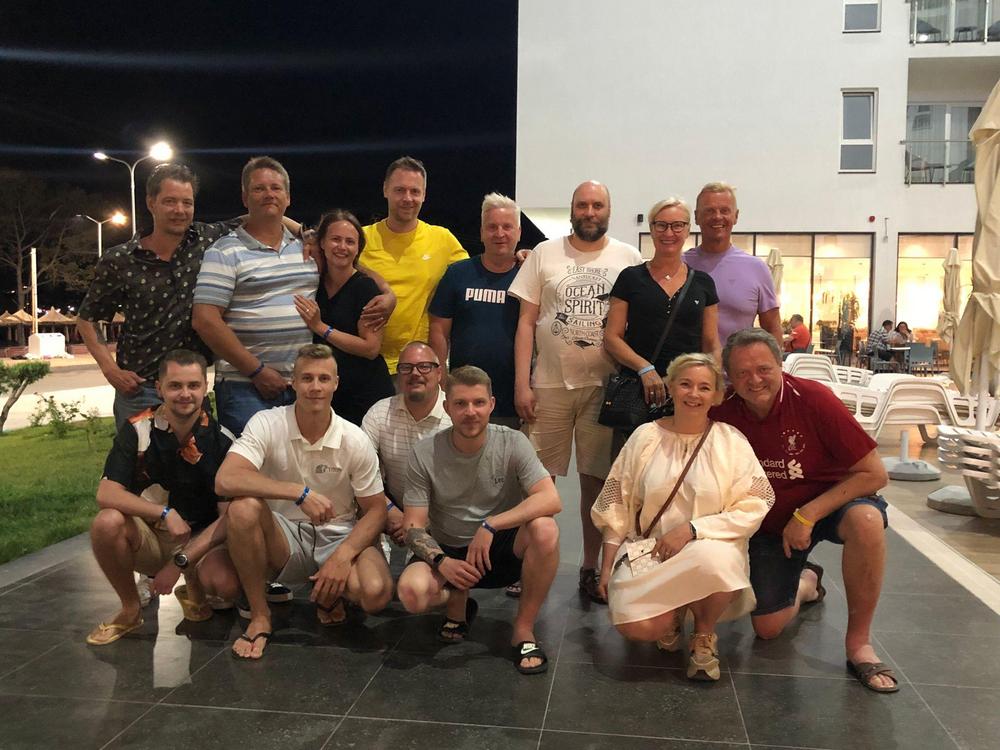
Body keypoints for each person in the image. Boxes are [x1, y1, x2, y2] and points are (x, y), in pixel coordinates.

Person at [711, 328, 897, 693]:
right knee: (767, 628)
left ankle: (859, 644)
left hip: (831, 504)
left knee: (867, 520)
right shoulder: (723, 409)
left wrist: (807, 514)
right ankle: (807, 582)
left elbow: (875, 474)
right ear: (729, 376)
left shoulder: (814, 399)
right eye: (743, 372)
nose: (754, 380)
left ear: (781, 365)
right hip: (769, 524)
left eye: (763, 369)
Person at [592, 353, 772, 681]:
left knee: (717, 560)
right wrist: (605, 567)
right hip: (651, 551)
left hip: (710, 547)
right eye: (686, 384)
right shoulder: (644, 437)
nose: (694, 394)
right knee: (638, 628)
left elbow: (757, 503)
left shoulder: (730, 442)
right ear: (671, 387)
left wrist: (693, 529)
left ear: (716, 396)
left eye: (704, 387)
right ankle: (673, 614)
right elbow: (617, 504)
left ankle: (703, 633)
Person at [509, 180, 642, 604]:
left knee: (597, 483)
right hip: (548, 386)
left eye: (597, 205)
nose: (589, 212)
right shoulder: (544, 253)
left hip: (605, 389)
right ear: (572, 209)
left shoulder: (629, 257)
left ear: (608, 210)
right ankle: (527, 563)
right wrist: (522, 382)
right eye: (582, 205)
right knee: (537, 482)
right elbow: (526, 322)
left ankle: (589, 566)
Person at [215, 344, 393, 660]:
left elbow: (376, 510)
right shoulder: (266, 422)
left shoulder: (354, 438)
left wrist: (343, 557)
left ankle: (330, 594)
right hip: (283, 536)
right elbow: (225, 480)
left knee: (375, 593)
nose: (315, 387)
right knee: (242, 507)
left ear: (336, 383)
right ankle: (260, 614)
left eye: (323, 379)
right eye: (307, 378)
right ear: (293, 382)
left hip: (338, 533)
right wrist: (298, 492)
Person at [397, 366, 561, 674]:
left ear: (492, 405)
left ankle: (523, 630)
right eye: (460, 404)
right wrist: (442, 561)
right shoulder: (424, 452)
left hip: (498, 549)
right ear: (447, 407)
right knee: (411, 594)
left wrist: (491, 524)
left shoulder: (513, 442)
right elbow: (412, 527)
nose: (470, 412)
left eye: (478, 403)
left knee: (546, 528)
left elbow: (551, 499)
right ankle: (456, 597)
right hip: (448, 548)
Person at [86, 349, 240, 645]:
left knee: (226, 587)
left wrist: (179, 562)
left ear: (205, 387)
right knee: (106, 523)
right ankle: (130, 609)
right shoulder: (137, 429)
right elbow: (106, 493)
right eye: (175, 385)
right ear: (159, 388)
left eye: (193, 385)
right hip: (151, 536)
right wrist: (164, 513)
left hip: (198, 541)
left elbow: (227, 518)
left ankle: (193, 585)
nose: (185, 394)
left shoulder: (222, 440)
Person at [77, 164, 240, 429]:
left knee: (198, 455)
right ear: (151, 203)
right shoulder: (119, 260)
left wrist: (305, 233)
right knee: (139, 456)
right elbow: (88, 318)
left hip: (192, 390)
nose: (180, 210)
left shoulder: (206, 239)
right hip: (140, 390)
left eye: (187, 202)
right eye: (170, 201)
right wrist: (110, 370)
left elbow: (260, 218)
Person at [192, 156, 319, 436]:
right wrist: (257, 371)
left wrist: (384, 292)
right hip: (245, 387)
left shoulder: (307, 249)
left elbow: (350, 266)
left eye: (276, 188)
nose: (269, 194)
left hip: (303, 386)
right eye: (259, 188)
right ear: (245, 198)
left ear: (288, 198)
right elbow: (205, 320)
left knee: (302, 461)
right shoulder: (224, 251)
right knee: (251, 464)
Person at [604, 197, 721, 457]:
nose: (669, 233)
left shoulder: (703, 283)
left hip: (687, 395)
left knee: (685, 464)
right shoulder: (630, 278)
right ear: (651, 228)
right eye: (661, 225)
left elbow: (711, 343)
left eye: (677, 225)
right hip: (638, 393)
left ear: (688, 229)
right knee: (634, 465)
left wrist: (711, 384)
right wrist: (644, 368)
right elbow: (612, 337)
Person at [361, 156, 468, 374]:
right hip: (366, 362)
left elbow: (478, 272)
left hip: (418, 367)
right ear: (385, 189)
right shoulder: (360, 238)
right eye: (400, 190)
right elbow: (320, 243)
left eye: (415, 191)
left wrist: (520, 258)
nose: (407, 198)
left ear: (424, 195)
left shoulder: (442, 239)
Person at [429, 192, 522, 428]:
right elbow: (438, 329)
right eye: (492, 227)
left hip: (513, 399)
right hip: (463, 399)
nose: (499, 233)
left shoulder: (529, 275)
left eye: (507, 227)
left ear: (519, 232)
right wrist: (441, 382)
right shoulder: (457, 274)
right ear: (481, 232)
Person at [293, 209, 394, 426]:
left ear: (358, 248)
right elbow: (285, 223)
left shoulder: (365, 287)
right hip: (329, 393)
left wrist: (321, 327)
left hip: (365, 393)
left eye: (350, 242)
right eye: (335, 239)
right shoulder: (316, 279)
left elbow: (370, 348)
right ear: (322, 242)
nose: (342, 247)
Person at [361, 341, 452, 547]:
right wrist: (390, 511)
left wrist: (419, 523)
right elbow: (361, 474)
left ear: (439, 373)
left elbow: (469, 485)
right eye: (406, 368)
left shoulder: (456, 414)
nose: (415, 373)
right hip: (393, 512)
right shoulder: (379, 413)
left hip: (448, 518)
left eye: (424, 367)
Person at [684, 182, 783, 345]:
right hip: (688, 362)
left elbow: (773, 329)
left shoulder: (756, 269)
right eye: (709, 210)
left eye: (724, 210)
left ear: (736, 216)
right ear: (696, 217)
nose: (717, 216)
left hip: (738, 362)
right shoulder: (681, 265)